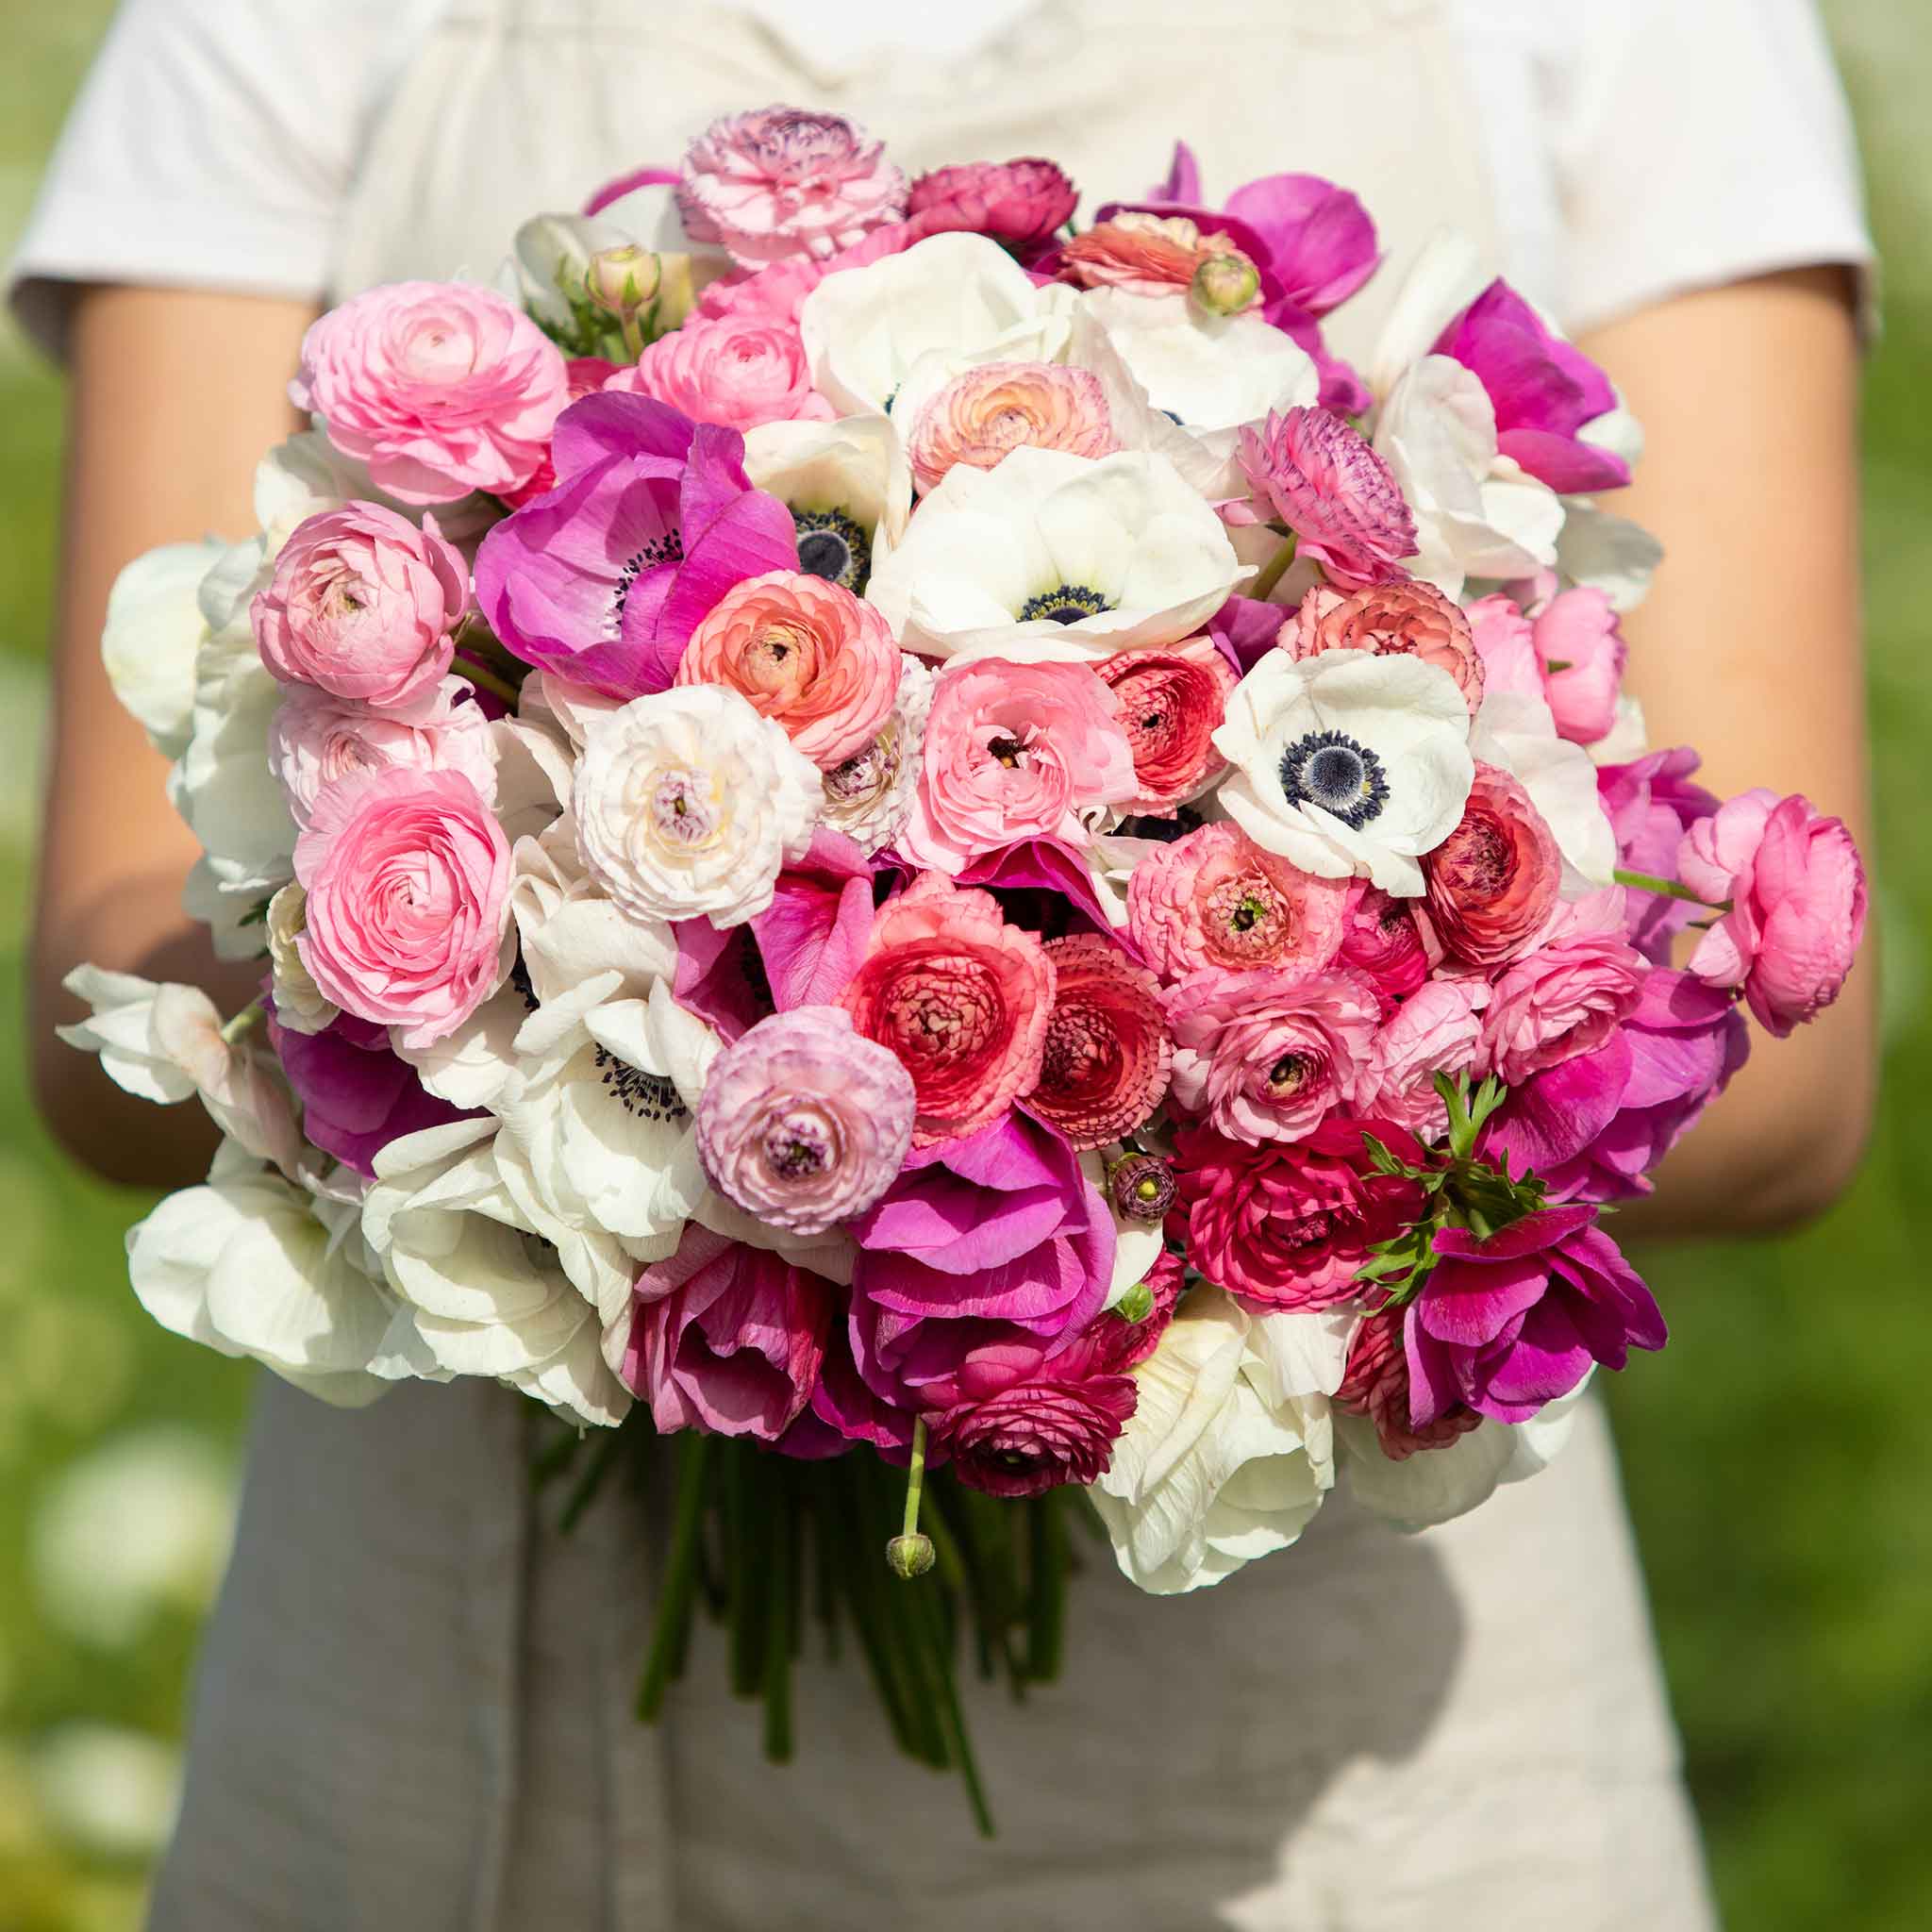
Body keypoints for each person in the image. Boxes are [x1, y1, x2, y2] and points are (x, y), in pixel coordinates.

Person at [10, 1, 1876, 1925]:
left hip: (1355, 1832)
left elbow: (1786, 1093)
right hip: (459, 1787)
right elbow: (117, 971)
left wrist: (1196, 1073)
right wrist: (596, 1026)